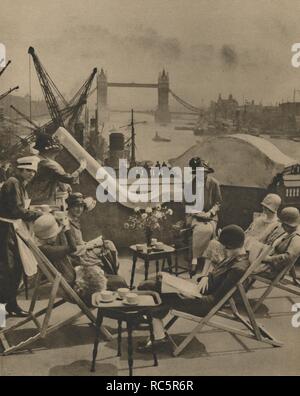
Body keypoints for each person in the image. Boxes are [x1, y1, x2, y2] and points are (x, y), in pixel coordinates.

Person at [137, 225, 250, 352]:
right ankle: (158, 333)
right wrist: (205, 277)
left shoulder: (237, 268)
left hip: (202, 303)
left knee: (150, 289)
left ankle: (158, 335)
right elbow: (215, 275)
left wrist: (186, 293)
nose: (223, 249)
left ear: (230, 246)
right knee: (155, 284)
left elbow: (215, 299)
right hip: (197, 292)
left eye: (225, 247)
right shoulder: (235, 258)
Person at [33, 213, 126, 305]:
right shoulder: (48, 250)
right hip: (79, 286)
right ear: (49, 238)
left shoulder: (44, 248)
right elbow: (72, 247)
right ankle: (123, 309)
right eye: (55, 233)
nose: (57, 235)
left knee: (118, 280)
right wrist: (67, 229)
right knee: (120, 282)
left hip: (74, 279)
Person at [0, 156, 42, 316]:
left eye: (33, 171)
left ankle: (11, 305)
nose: (31, 174)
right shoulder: (12, 183)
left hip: (13, 227)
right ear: (21, 170)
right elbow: (16, 211)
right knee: (6, 271)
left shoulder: (20, 184)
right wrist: (37, 214)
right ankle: (1, 313)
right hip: (4, 230)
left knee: (16, 268)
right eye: (28, 170)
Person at [66, 193, 121, 276]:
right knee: (106, 251)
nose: (79, 209)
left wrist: (89, 244)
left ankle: (115, 274)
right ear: (70, 207)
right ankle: (114, 275)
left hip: (82, 250)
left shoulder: (74, 220)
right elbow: (71, 250)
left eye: (81, 206)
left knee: (109, 244)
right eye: (76, 206)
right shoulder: (67, 224)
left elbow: (78, 241)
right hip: (78, 256)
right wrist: (90, 245)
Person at [28, 132, 86, 205]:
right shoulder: (47, 163)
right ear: (50, 151)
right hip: (43, 201)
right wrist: (81, 168)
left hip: (33, 199)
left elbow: (52, 176)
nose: (57, 154)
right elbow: (70, 179)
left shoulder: (36, 159)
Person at [186, 157, 222, 275]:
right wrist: (197, 213)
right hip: (195, 216)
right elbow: (188, 204)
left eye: (204, 172)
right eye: (199, 172)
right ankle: (195, 260)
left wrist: (210, 213)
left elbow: (218, 203)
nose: (201, 175)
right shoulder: (191, 185)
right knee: (200, 229)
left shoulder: (214, 184)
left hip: (211, 216)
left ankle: (205, 261)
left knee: (208, 229)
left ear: (207, 172)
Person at [255, 207, 300, 277]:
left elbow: (289, 257)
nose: (282, 226)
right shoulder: (289, 233)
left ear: (290, 225)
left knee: (243, 267)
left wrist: (269, 259)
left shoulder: (297, 238)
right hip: (268, 264)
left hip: (272, 269)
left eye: (284, 224)